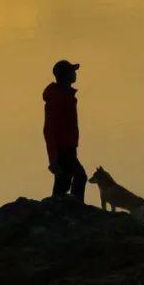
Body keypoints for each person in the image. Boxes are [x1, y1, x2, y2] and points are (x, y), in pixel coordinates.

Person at [43, 60, 86, 201]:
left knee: (63, 183)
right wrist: (53, 159)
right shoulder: (58, 97)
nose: (75, 74)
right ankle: (75, 208)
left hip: (68, 146)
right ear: (66, 76)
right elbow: (50, 129)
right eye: (72, 71)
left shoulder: (65, 95)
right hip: (63, 148)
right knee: (79, 176)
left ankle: (59, 210)